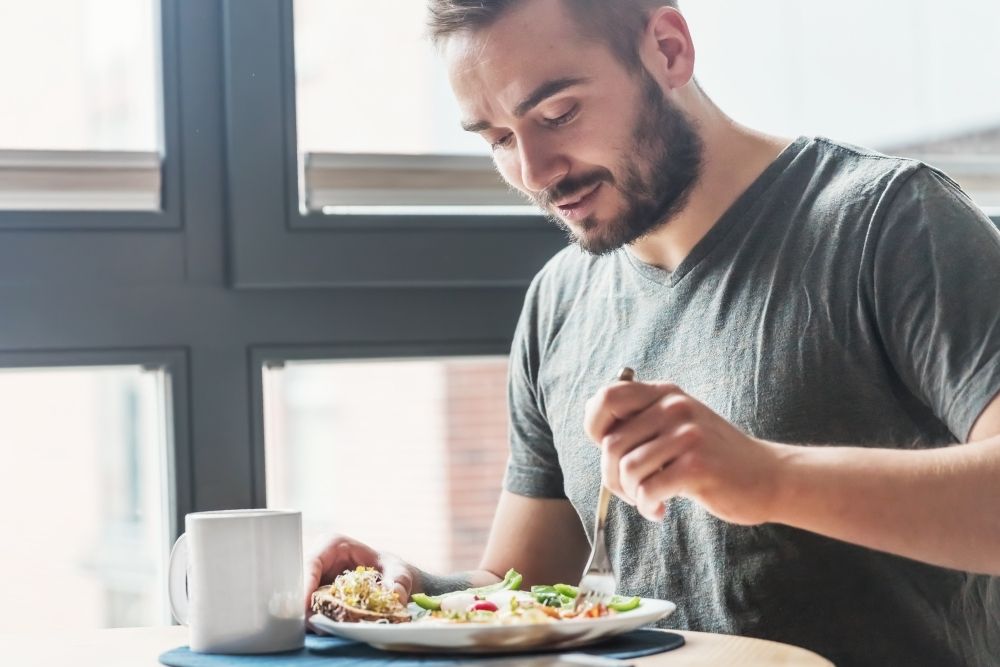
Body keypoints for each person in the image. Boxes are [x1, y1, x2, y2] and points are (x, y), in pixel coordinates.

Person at [305, 1, 1000, 664]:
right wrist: (416, 590)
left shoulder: (892, 222)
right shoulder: (559, 299)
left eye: (558, 113)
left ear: (668, 50)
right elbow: (524, 586)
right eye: (497, 139)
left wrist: (768, 477)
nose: (535, 172)